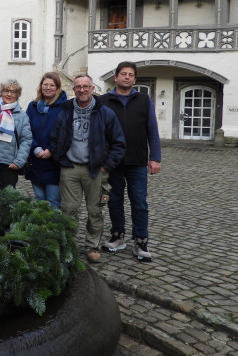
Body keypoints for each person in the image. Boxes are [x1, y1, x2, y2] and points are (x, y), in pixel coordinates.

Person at [49, 74, 126, 264]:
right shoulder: (65, 111)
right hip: (70, 168)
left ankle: (92, 247)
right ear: (73, 90)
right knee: (68, 209)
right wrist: (60, 158)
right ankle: (69, 246)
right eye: (78, 87)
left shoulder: (105, 112)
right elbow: (55, 138)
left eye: (86, 86)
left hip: (95, 170)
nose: (82, 90)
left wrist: (106, 166)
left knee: (95, 210)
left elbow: (119, 143)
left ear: (92, 89)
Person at [99, 61, 161, 263]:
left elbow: (152, 130)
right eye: (123, 74)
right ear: (115, 77)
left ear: (134, 79)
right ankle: (118, 237)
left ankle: (141, 242)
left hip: (137, 160)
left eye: (131, 75)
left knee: (139, 202)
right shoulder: (104, 101)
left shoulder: (143, 100)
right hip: (112, 162)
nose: (127, 77)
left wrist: (155, 158)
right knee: (114, 201)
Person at [25, 73, 68, 209]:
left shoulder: (64, 107)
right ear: (41, 86)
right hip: (35, 161)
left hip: (54, 162)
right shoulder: (32, 106)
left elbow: (65, 133)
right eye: (45, 84)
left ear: (57, 88)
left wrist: (50, 149)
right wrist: (36, 148)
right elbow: (26, 130)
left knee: (53, 201)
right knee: (39, 200)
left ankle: (54, 231)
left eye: (52, 85)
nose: (48, 88)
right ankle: (40, 230)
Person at [0, 79, 32, 189]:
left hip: (9, 165)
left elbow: (26, 140)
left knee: (7, 199)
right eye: (6, 91)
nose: (9, 94)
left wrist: (18, 162)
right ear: (1, 92)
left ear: (18, 95)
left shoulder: (22, 116)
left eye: (13, 92)